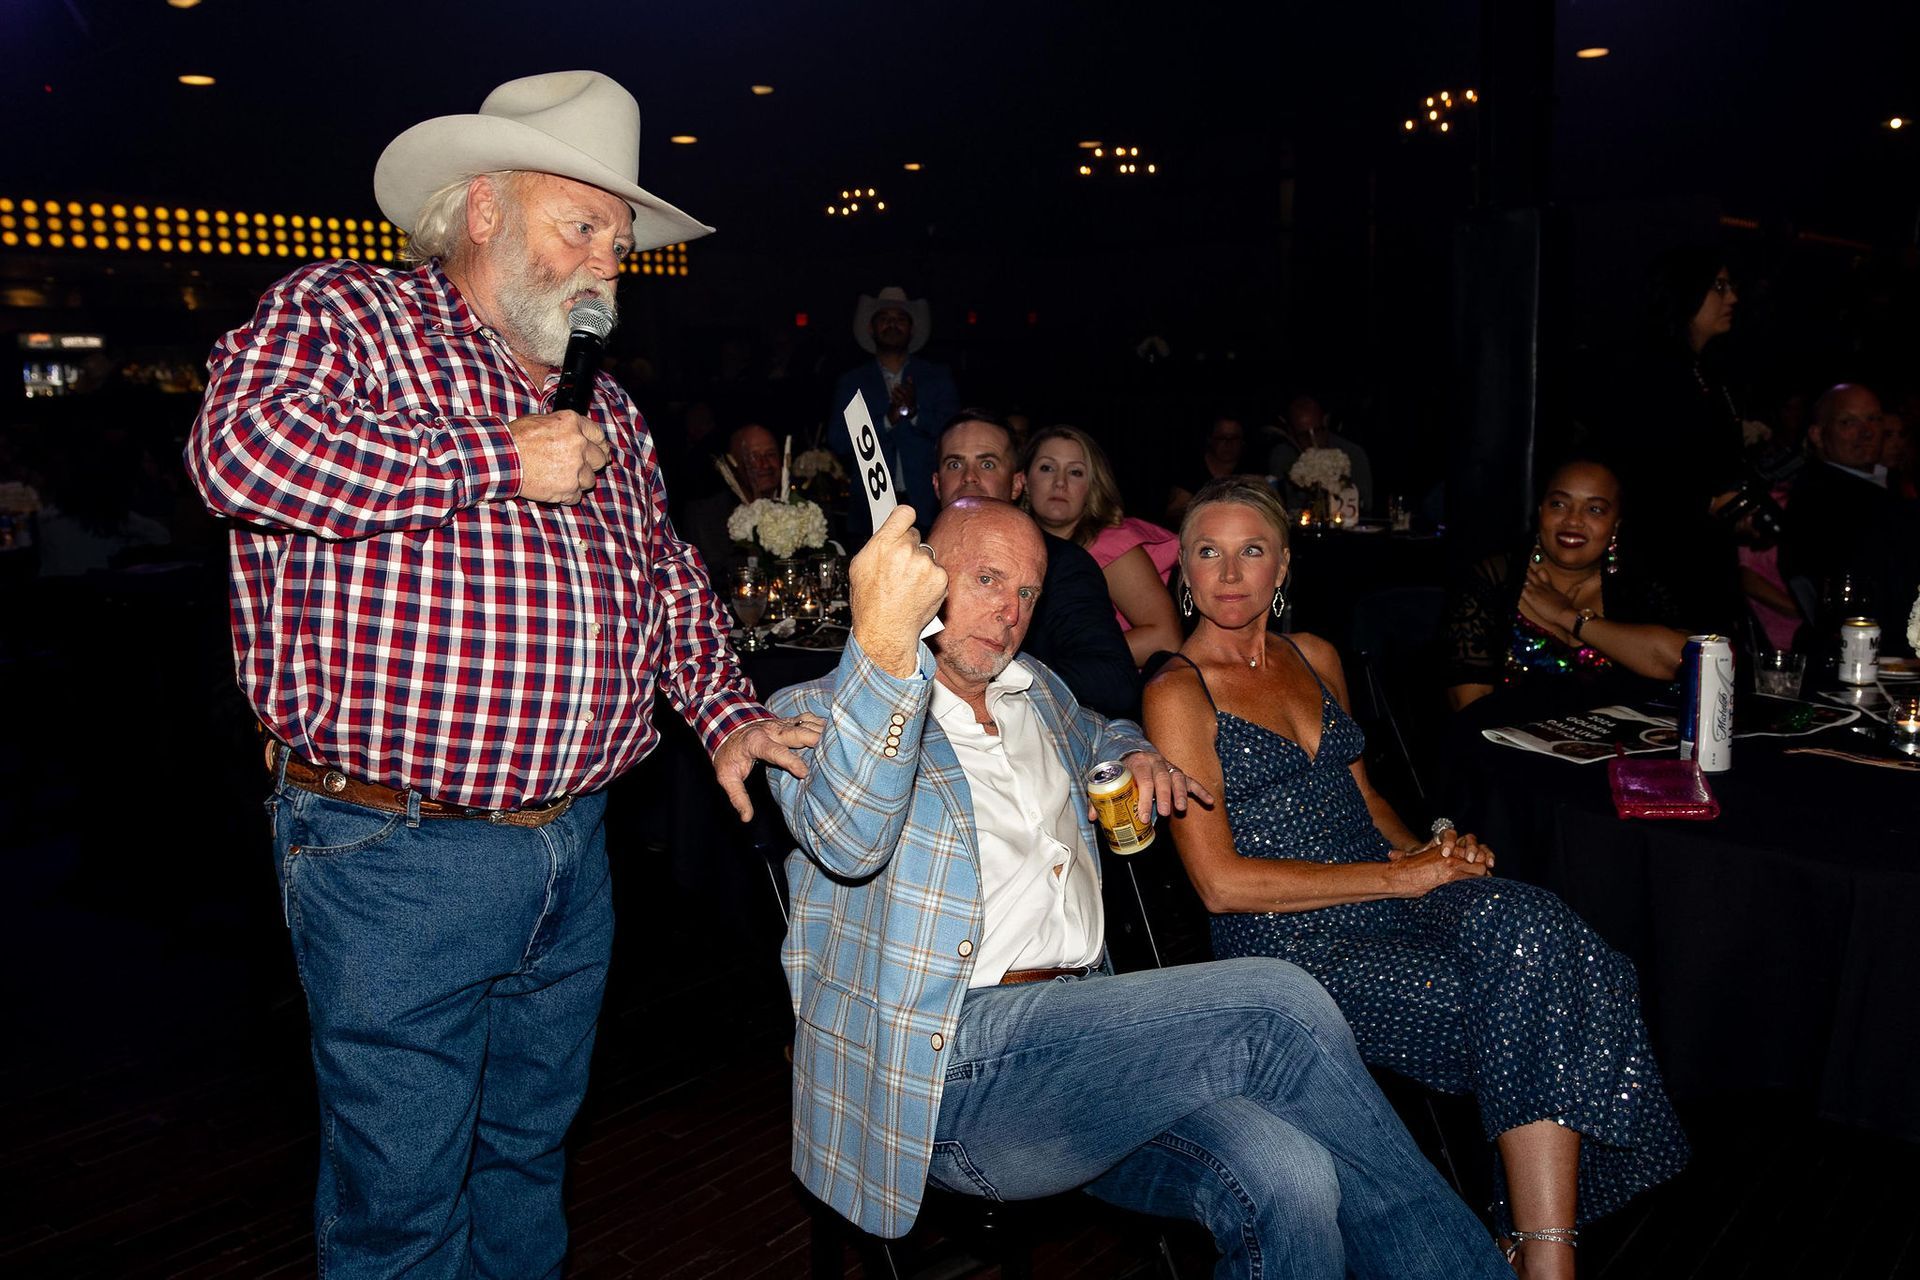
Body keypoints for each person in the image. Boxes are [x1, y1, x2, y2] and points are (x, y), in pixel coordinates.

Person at [182, 71, 821, 1277]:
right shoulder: (349, 317)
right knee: (403, 1204)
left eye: (619, 245)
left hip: (573, 848)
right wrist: (497, 457)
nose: (605, 268)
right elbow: (238, 455)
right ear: (482, 207)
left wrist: (728, 714)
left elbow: (668, 578)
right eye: (581, 225)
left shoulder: (610, 411)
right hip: (394, 856)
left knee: (526, 1163)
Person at [766, 496, 1514, 1279]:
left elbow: (1105, 727)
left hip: (1085, 1053)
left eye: (1026, 593)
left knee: (1290, 1173)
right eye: (986, 579)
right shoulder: (817, 715)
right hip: (947, 1073)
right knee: (1275, 1000)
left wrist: (1139, 750)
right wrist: (884, 653)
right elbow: (850, 837)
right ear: (921, 581)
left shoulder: (1037, 693)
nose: (1009, 612)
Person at [1142, 477, 1690, 1278]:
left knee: (1532, 925)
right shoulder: (1176, 692)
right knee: (1550, 989)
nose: (1230, 573)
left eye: (1251, 551)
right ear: (1181, 574)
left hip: (1383, 892)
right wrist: (1400, 880)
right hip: (1290, 946)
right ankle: (1548, 1257)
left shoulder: (1317, 656)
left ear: (1283, 566)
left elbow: (1366, 800)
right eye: (1208, 553)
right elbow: (1221, 885)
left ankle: (1530, 1244)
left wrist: (1433, 848)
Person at [933, 410, 1140, 718]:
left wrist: (990, 677)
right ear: (937, 484)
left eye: (987, 464)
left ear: (1017, 484)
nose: (969, 477)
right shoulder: (909, 555)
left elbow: (1113, 681)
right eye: (955, 463)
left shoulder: (1060, 564)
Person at [1443, 458, 1692, 713]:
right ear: (1541, 511)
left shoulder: (1637, 586)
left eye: (1594, 509)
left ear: (1615, 525)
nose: (1573, 520)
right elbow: (1469, 705)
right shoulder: (1494, 580)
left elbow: (1686, 661)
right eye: (1559, 504)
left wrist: (1569, 617)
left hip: (1617, 749)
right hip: (1505, 748)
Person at [1022, 424, 1181, 667]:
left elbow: (1165, 639)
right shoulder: (1014, 546)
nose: (1060, 482)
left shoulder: (1110, 544)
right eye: (1047, 468)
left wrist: (1056, 667)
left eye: (1075, 472)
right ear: (1023, 481)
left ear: (1092, 487)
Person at [829, 285, 958, 547]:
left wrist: (915, 415)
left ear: (911, 329)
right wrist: (886, 420)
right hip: (869, 509)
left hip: (928, 505)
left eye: (900, 319)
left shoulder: (936, 377)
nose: (892, 325)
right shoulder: (852, 382)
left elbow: (955, 435)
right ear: (871, 328)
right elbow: (838, 441)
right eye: (885, 319)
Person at [679, 420, 784, 584]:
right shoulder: (706, 517)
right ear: (733, 465)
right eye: (754, 457)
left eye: (770, 455)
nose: (765, 465)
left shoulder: (804, 511)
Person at [1267, 393, 1376, 516]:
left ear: (1325, 422)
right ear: (1291, 434)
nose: (1313, 440)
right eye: (1304, 435)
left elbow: (1365, 504)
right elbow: (1280, 506)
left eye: (1318, 431)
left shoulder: (1352, 453)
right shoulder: (1281, 456)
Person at [1163, 411, 1250, 526]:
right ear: (1210, 440)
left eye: (1234, 438)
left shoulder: (1253, 471)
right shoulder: (1190, 470)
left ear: (1243, 442)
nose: (1228, 443)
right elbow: (1174, 514)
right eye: (1221, 438)